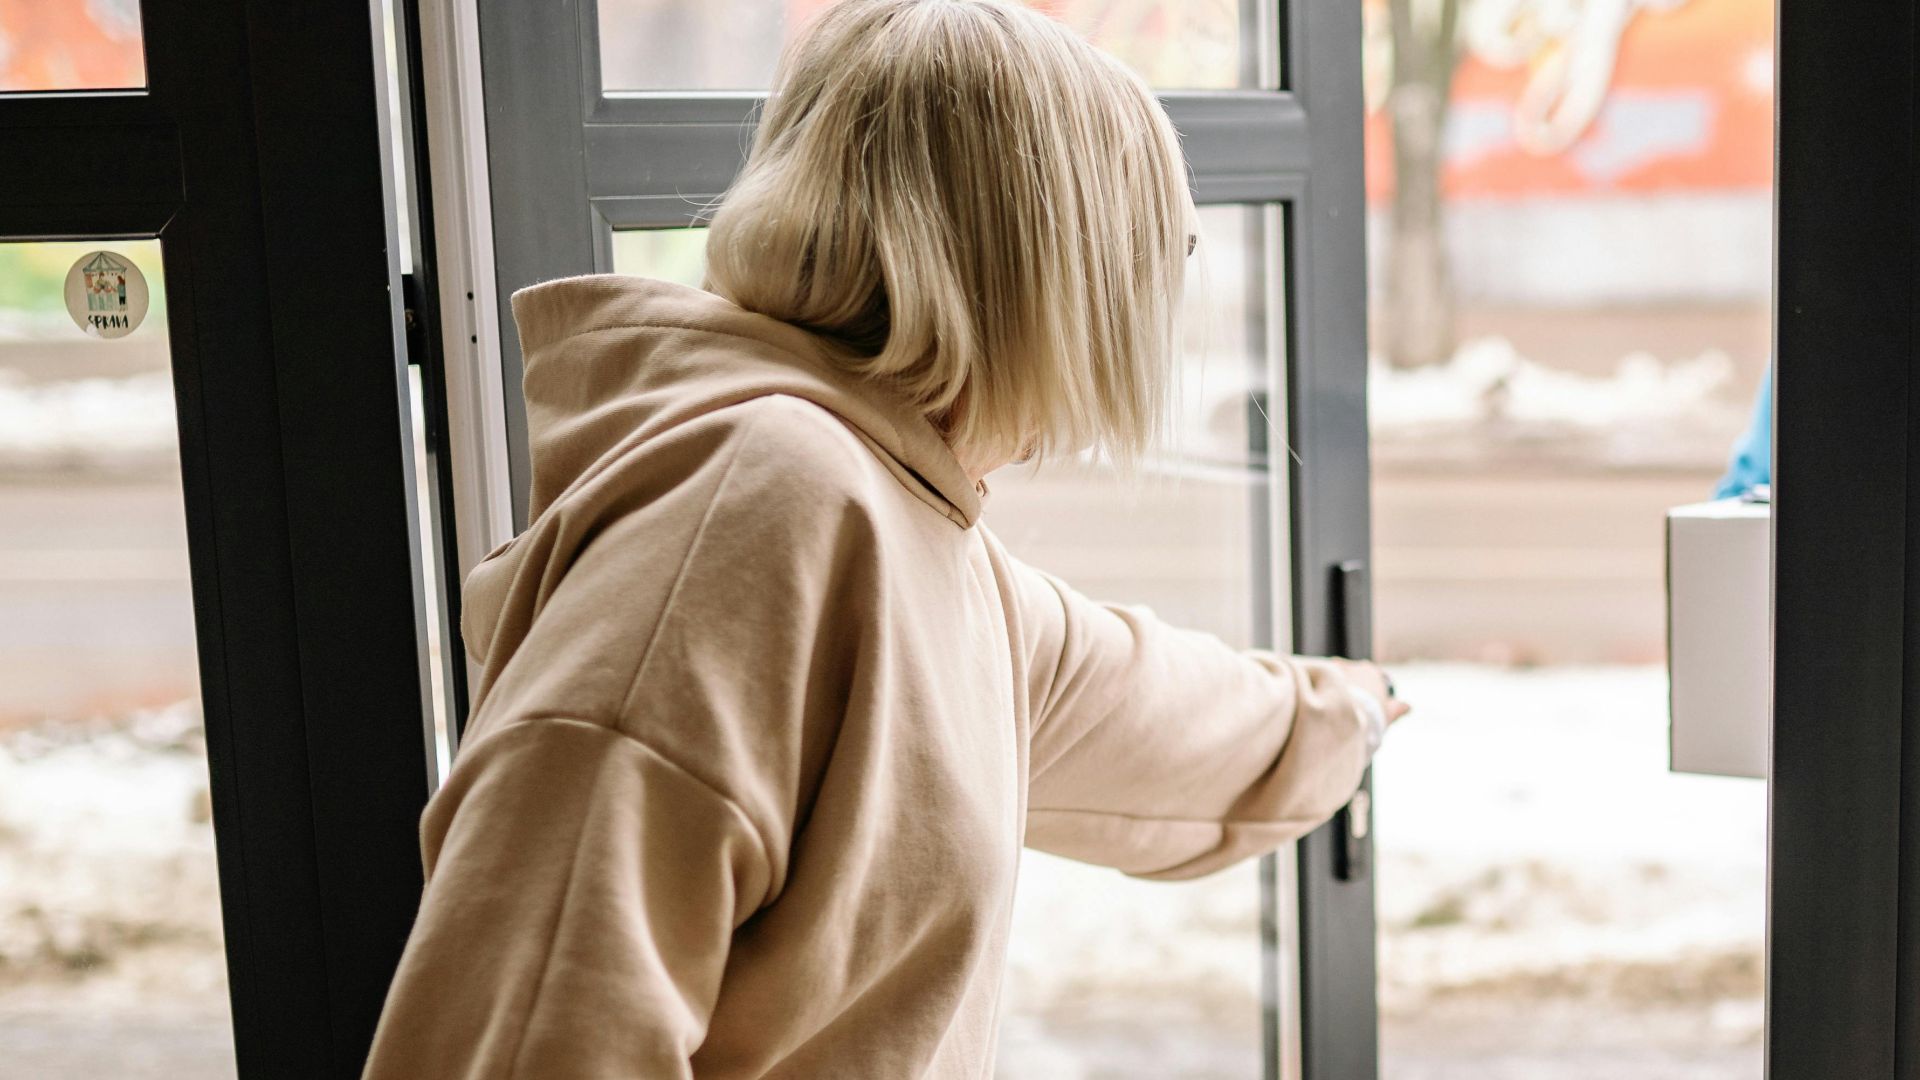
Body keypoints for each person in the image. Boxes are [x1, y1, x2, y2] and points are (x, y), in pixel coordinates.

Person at [362, 2, 1408, 1076]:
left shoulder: (908, 525)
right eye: (1141, 262)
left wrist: (1350, 711)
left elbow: (1145, 707)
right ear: (1033, 273)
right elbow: (530, 1021)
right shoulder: (764, 505)